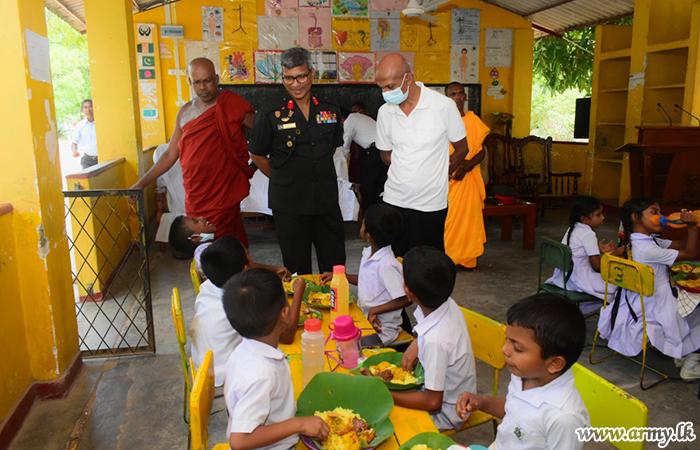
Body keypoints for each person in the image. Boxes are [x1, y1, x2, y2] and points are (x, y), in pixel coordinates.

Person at [131, 58, 256, 247]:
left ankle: (232, 273)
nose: (203, 87)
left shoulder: (230, 104)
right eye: (197, 82)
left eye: (207, 81)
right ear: (190, 82)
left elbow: (262, 130)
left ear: (216, 79)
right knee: (201, 245)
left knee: (225, 245)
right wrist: (141, 183)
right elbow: (170, 154)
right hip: (196, 194)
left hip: (223, 192)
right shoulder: (185, 113)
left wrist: (259, 161)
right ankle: (207, 275)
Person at [249, 47, 346, 274]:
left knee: (335, 265)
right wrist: (282, 177)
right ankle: (302, 309)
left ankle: (335, 307)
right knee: (296, 267)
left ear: (312, 74)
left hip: (325, 198)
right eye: (289, 78)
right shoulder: (269, 113)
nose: (296, 84)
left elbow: (331, 147)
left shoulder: (329, 109)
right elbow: (256, 154)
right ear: (282, 77)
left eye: (301, 76)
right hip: (289, 203)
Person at [456, 293, 590, 450]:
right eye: (507, 339)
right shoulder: (525, 375)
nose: (505, 350)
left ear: (554, 363)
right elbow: (514, 408)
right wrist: (481, 402)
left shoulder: (564, 418)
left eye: (517, 348)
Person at [222, 269, 329, 450]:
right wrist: (299, 424)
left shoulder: (244, 350)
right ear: (285, 314)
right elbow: (240, 441)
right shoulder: (262, 374)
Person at [374, 53, 470, 257]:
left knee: (427, 264)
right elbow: (386, 155)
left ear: (408, 78)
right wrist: (408, 170)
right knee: (394, 264)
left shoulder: (443, 106)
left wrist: (442, 173)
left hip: (429, 205)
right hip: (394, 201)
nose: (385, 93)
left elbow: (462, 149)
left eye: (390, 87)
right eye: (381, 88)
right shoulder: (385, 112)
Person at [597, 197, 700, 381]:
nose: (660, 216)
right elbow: (691, 253)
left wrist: (688, 223)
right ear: (636, 218)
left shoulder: (641, 242)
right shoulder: (647, 250)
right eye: (654, 212)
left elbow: (681, 244)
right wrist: (692, 228)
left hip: (639, 301)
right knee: (696, 310)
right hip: (657, 305)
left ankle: (681, 353)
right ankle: (691, 363)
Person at [189, 237, 301, 386]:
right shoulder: (243, 304)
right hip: (224, 376)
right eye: (248, 255)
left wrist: (273, 270)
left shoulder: (208, 286)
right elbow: (287, 336)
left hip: (201, 365)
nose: (252, 257)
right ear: (245, 269)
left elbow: (246, 267)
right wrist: (298, 293)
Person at [386, 246, 476, 430]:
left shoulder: (436, 341)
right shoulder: (446, 302)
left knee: (381, 416)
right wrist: (418, 343)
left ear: (409, 293)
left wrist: (386, 394)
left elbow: (432, 401)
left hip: (445, 413)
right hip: (444, 393)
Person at [321, 204, 409, 344]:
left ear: (368, 236)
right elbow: (366, 280)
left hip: (383, 328)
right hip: (365, 318)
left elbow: (405, 298)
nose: (360, 228)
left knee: (348, 348)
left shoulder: (387, 264)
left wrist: (375, 310)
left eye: (362, 225)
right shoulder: (369, 254)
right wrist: (339, 276)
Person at [545, 196, 623, 314]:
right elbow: (597, 266)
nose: (603, 218)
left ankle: (575, 311)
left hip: (564, 276)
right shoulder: (588, 234)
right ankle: (608, 320)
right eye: (598, 215)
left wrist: (598, 249)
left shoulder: (573, 227)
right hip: (579, 279)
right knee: (618, 286)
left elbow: (578, 249)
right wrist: (615, 258)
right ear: (585, 219)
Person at [443, 82, 490, 269]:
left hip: (470, 177)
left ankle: (467, 259)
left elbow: (481, 151)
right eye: (453, 94)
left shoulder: (473, 119)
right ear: (447, 98)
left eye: (461, 93)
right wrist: (456, 168)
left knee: (469, 220)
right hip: (451, 178)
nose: (458, 97)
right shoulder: (441, 121)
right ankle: (449, 256)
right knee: (451, 219)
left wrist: (468, 165)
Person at [341, 106, 386, 215]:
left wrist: (342, 166)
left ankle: (367, 214)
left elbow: (345, 147)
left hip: (374, 152)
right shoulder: (359, 117)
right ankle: (377, 213)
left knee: (367, 186)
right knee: (379, 186)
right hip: (383, 150)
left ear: (341, 118)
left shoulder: (349, 121)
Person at [71, 99, 99, 169]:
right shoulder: (80, 125)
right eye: (85, 108)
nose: (88, 110)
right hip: (87, 160)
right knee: (86, 179)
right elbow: (74, 142)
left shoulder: (101, 123)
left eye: (90, 107)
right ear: (82, 110)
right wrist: (74, 151)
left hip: (102, 159)